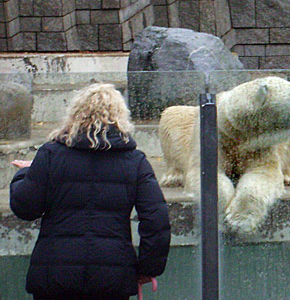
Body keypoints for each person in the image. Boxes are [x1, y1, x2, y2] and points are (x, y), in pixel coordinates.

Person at [9, 83, 171, 300]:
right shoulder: (135, 161)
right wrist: (147, 269)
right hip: (112, 276)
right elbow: (156, 222)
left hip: (55, 274)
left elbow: (25, 208)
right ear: (121, 116)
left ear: (75, 113)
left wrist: (26, 173)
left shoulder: (51, 155)